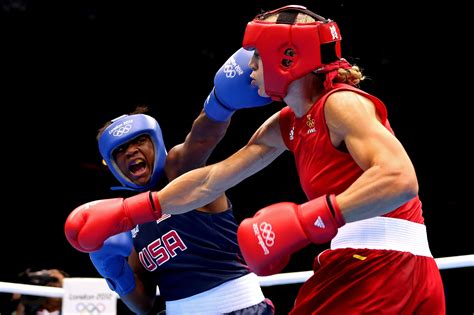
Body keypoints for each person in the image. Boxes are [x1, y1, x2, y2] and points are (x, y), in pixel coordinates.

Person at [65, 4, 446, 314]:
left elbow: (400, 178)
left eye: (257, 59)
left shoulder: (341, 103)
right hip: (372, 264)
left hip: (379, 266)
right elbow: (210, 180)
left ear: (288, 58)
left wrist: (307, 221)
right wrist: (129, 213)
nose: (249, 70)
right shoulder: (286, 125)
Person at [79, 48, 275, 314]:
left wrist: (222, 101)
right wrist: (114, 272)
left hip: (238, 307)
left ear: (156, 143)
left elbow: (203, 137)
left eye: (139, 141)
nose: (132, 151)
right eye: (120, 151)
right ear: (114, 166)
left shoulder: (179, 170)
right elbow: (145, 303)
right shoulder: (128, 218)